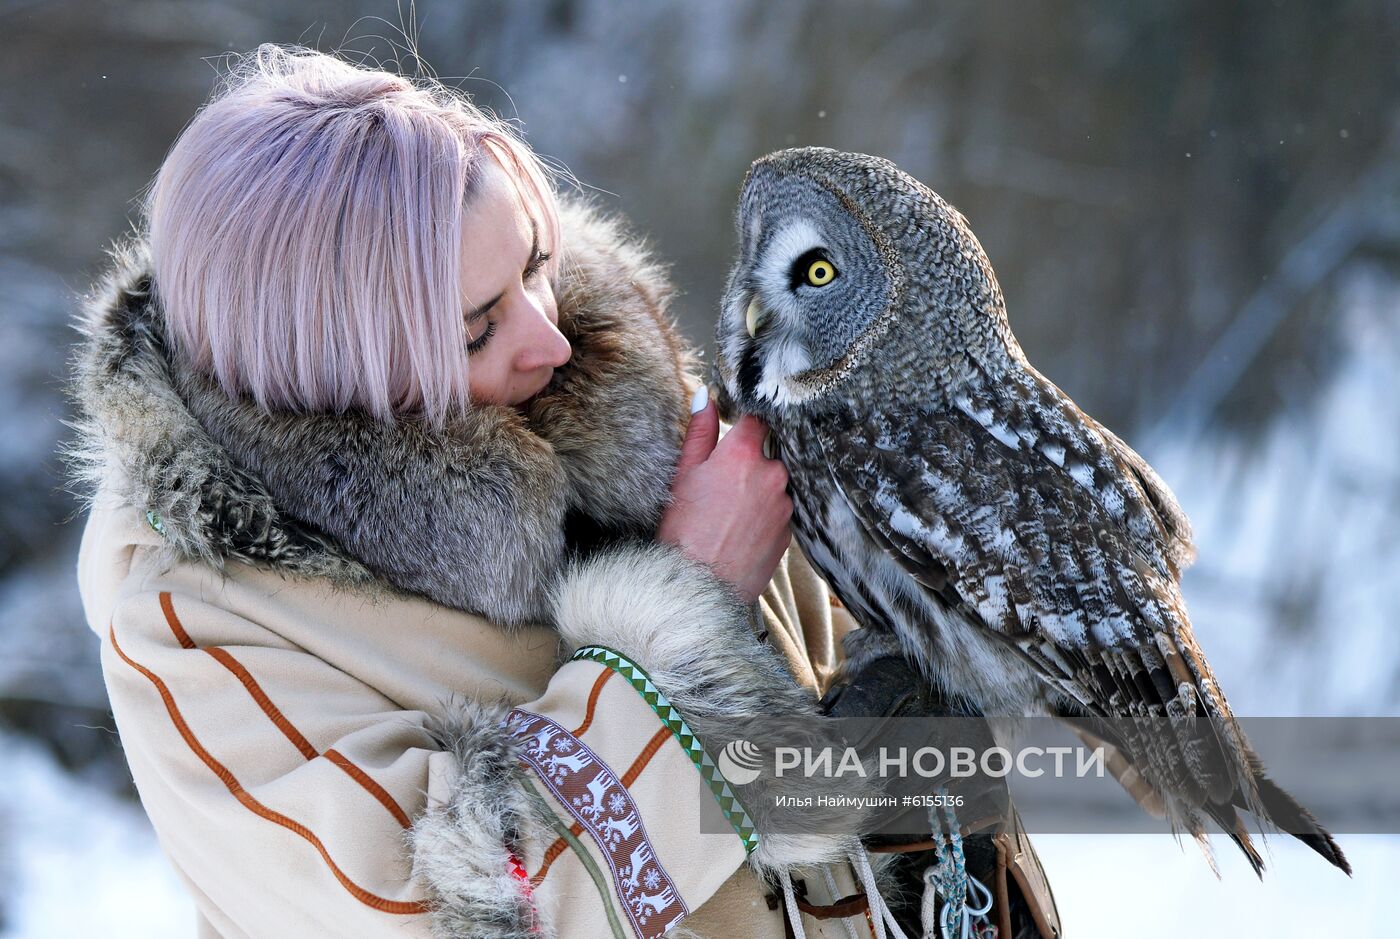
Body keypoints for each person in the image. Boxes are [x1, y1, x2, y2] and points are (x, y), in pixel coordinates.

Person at [68, 43, 895, 938]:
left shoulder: (640, 431)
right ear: (333, 371)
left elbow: (858, 763)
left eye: (536, 266)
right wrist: (686, 607)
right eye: (475, 330)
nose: (553, 342)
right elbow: (441, 908)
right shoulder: (195, 633)